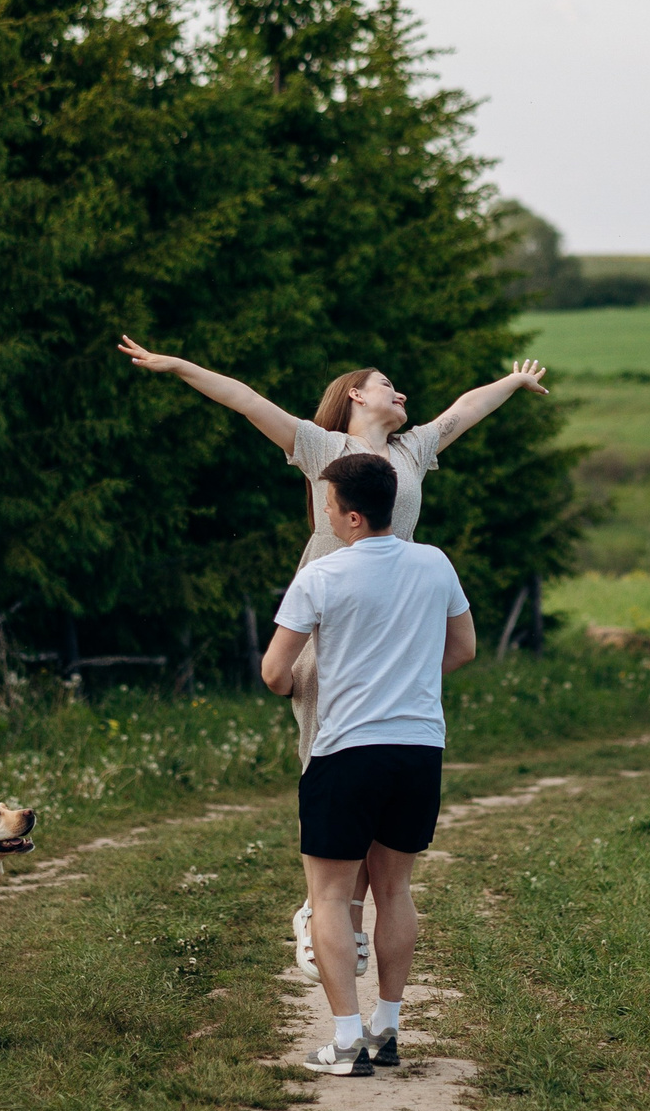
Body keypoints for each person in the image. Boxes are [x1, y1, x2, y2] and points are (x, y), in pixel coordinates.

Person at [116, 334, 544, 971]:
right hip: (328, 612)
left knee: (380, 768)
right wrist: (176, 365)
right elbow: (245, 400)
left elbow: (464, 409)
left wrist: (511, 384)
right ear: (354, 395)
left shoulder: (414, 449)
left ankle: (340, 919)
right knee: (333, 759)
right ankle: (324, 911)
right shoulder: (323, 447)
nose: (400, 393)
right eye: (386, 383)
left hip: (391, 610)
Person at [260, 453, 475, 1074]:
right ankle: (388, 1028)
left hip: (347, 751)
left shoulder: (322, 576)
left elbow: (276, 673)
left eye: (327, 505)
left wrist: (296, 686)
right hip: (419, 748)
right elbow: (464, 647)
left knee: (328, 897)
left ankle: (346, 1041)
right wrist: (409, 681)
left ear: (352, 516)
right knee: (395, 890)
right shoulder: (434, 562)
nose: (323, 513)